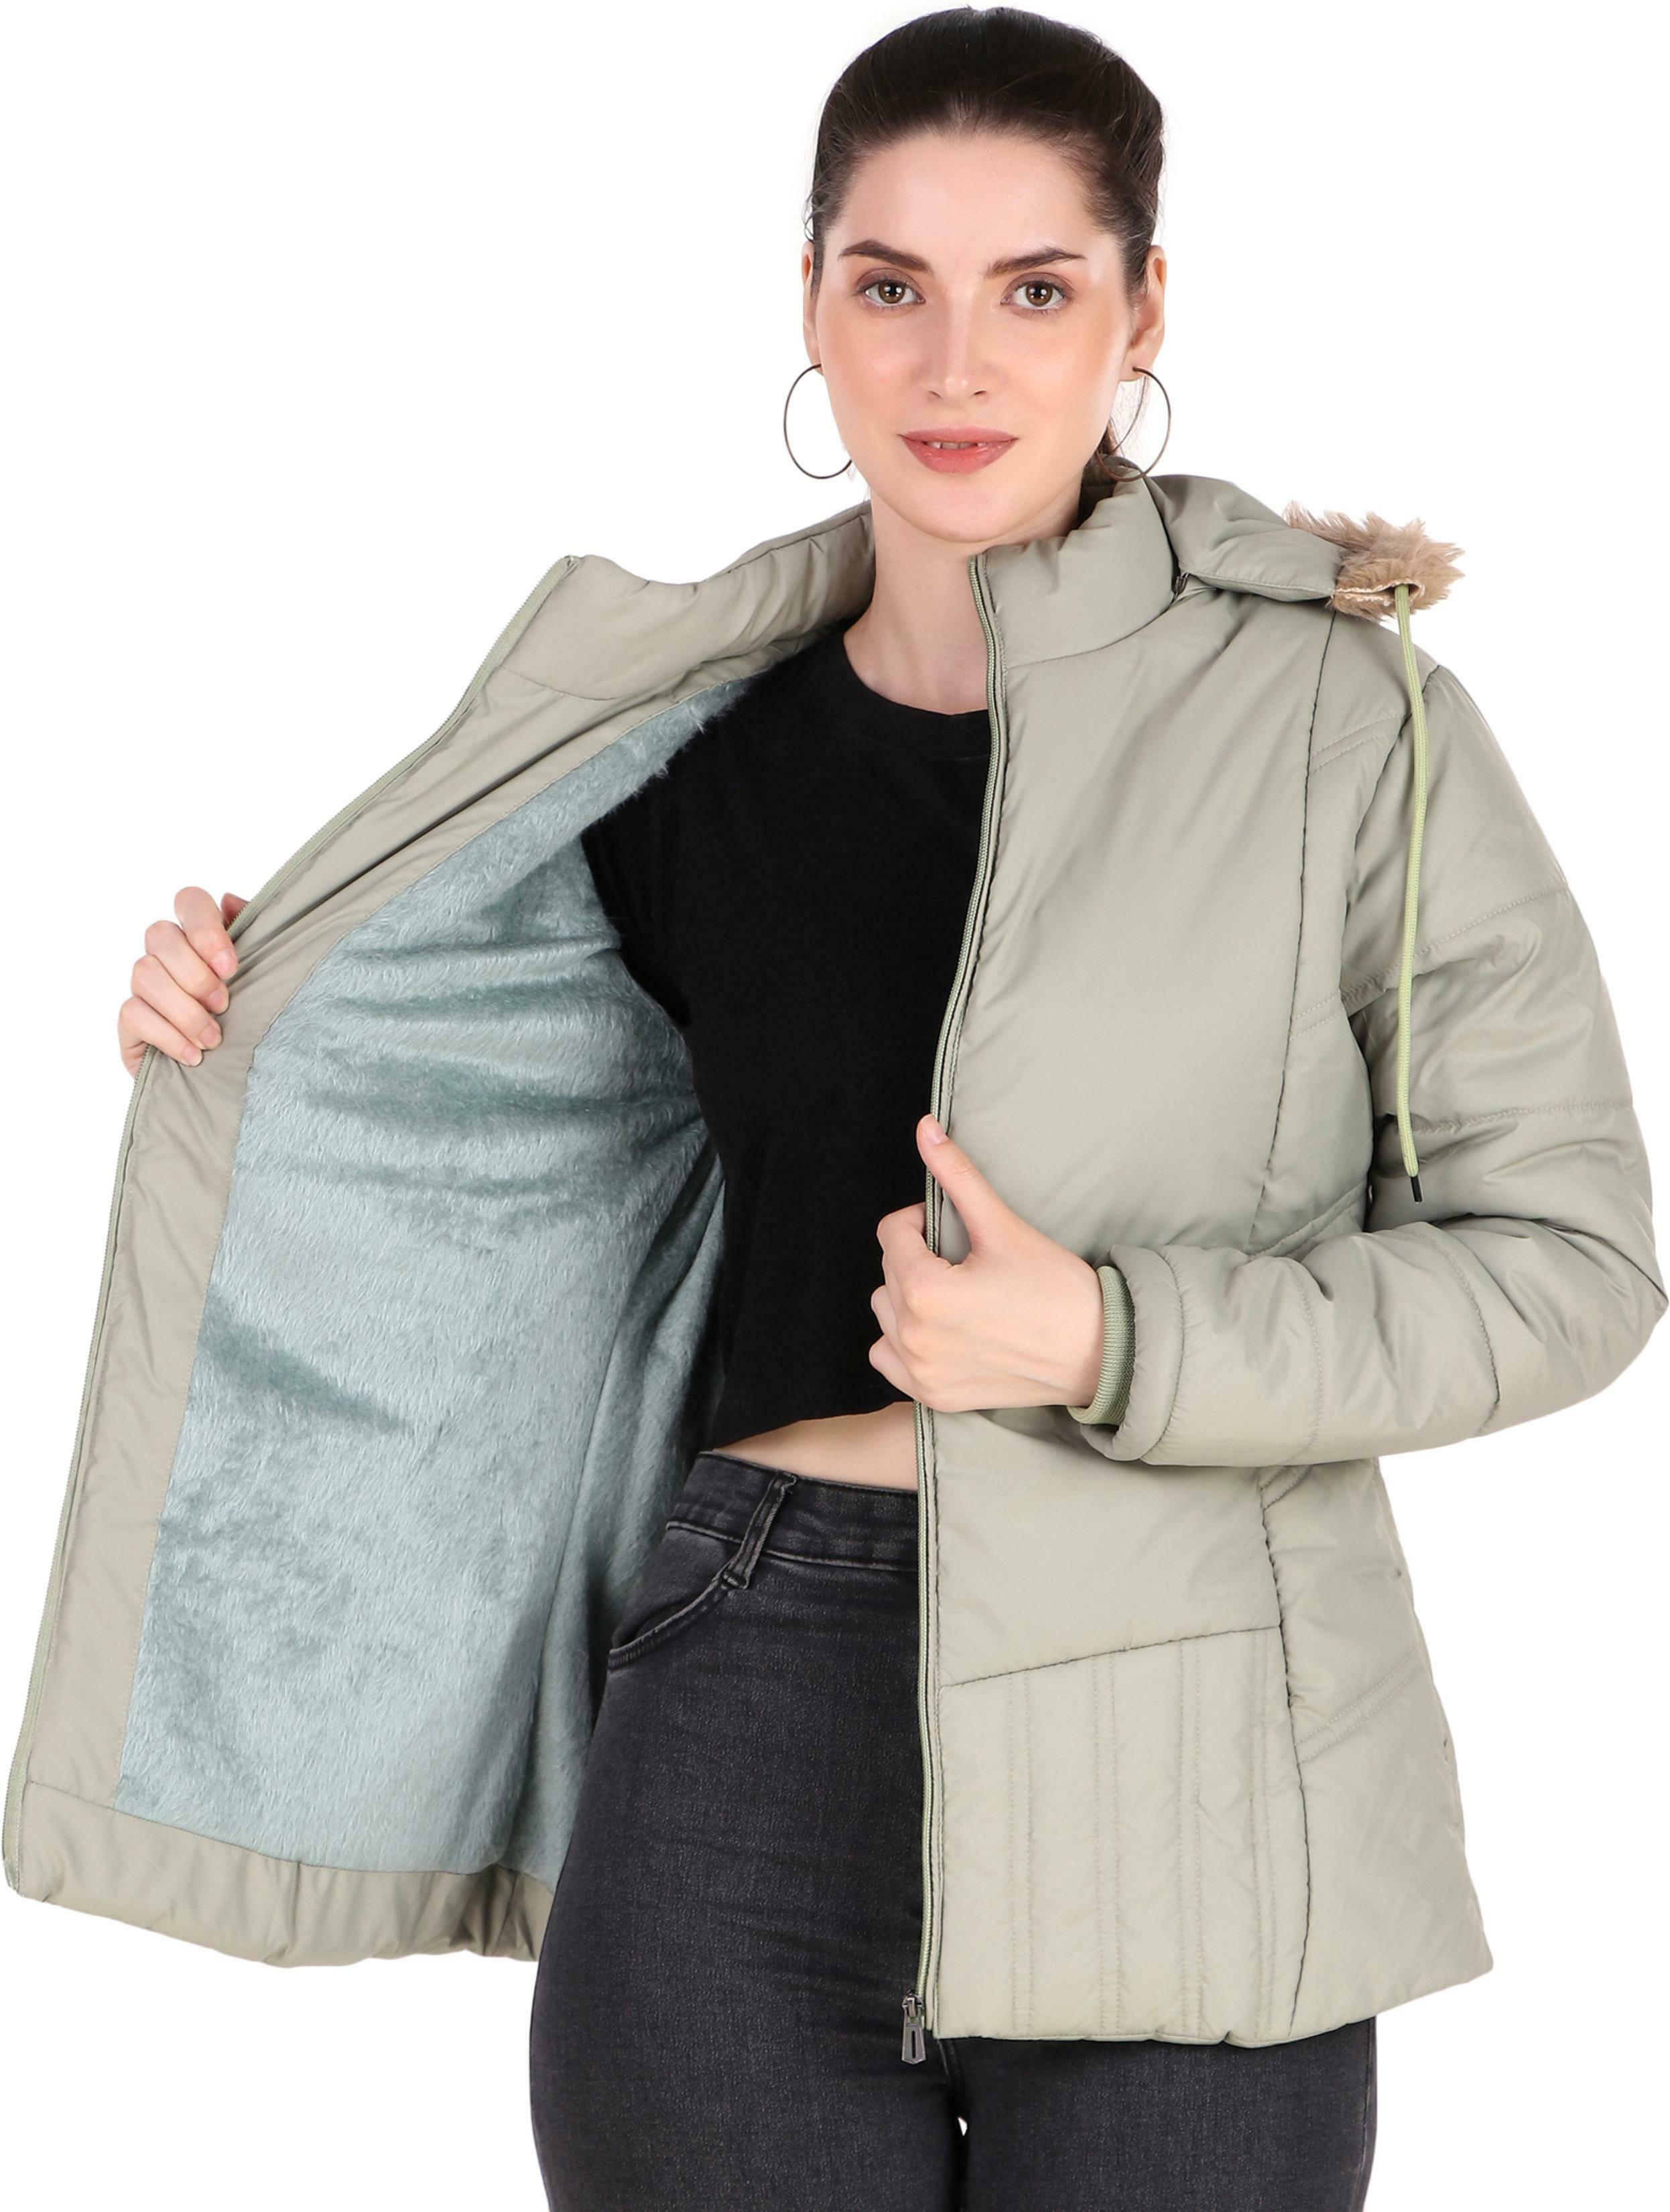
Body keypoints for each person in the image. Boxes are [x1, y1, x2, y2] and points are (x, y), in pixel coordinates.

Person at [36, 9, 1663, 2211]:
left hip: (1200, 1725)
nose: (953, 363)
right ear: (807, 299)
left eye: (1035, 288)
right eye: (891, 283)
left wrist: (1110, 1335)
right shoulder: (672, 747)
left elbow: (1570, 1263)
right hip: (744, 1692)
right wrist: (241, 1025)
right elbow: (483, 1158)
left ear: (1141, 313)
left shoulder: (1342, 724)